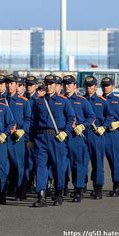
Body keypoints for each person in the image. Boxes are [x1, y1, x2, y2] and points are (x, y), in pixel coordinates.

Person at [29, 75, 75, 207]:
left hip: (57, 138)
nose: (48, 86)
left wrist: (65, 132)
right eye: (47, 83)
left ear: (56, 85)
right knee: (40, 167)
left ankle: (59, 193)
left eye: (51, 84)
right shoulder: (38, 102)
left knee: (58, 167)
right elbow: (33, 121)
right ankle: (41, 196)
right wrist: (31, 139)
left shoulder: (64, 101)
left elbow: (71, 119)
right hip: (41, 138)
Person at [62, 75, 95, 202]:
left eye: (69, 84)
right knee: (62, 164)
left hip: (76, 136)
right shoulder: (59, 100)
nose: (67, 86)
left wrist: (82, 126)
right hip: (63, 136)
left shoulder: (82, 101)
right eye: (65, 83)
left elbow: (91, 117)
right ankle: (62, 187)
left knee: (78, 164)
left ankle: (78, 189)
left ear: (75, 86)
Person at [84, 76, 114, 198]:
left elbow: (110, 116)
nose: (88, 88)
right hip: (83, 133)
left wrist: (104, 127)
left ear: (95, 87)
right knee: (81, 162)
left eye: (91, 86)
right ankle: (81, 186)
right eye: (86, 85)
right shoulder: (81, 100)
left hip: (96, 134)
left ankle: (98, 188)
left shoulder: (102, 101)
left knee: (97, 162)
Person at [101, 77, 119, 197]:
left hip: (113, 134)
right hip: (99, 133)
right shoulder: (98, 99)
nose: (106, 87)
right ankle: (98, 187)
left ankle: (117, 185)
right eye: (104, 85)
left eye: (108, 85)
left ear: (112, 87)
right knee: (97, 162)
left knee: (115, 161)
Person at [5, 74, 31, 201]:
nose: (9, 85)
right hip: (4, 137)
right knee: (4, 165)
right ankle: (5, 189)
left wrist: (23, 130)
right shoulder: (1, 100)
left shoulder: (23, 101)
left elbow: (28, 119)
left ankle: (21, 190)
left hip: (17, 137)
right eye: (8, 83)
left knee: (19, 165)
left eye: (12, 83)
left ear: (16, 85)